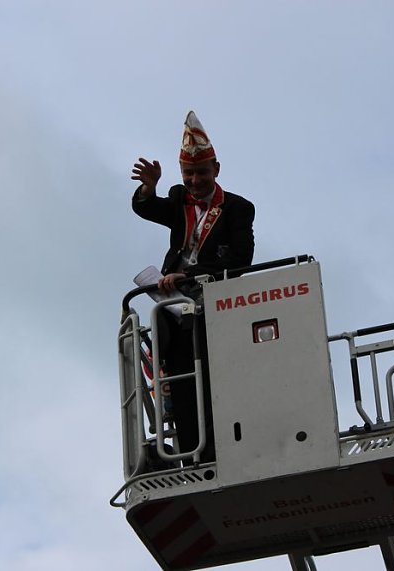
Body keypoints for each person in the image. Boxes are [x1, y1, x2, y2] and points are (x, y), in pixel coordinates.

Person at [131, 111, 255, 462]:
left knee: (213, 379)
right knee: (182, 382)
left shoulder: (238, 208)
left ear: (216, 168)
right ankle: (190, 452)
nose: (195, 180)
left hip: (213, 303)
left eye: (201, 172)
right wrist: (148, 188)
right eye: (189, 174)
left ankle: (219, 450)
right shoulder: (177, 197)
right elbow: (146, 209)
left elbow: (241, 260)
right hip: (174, 305)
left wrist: (190, 275)